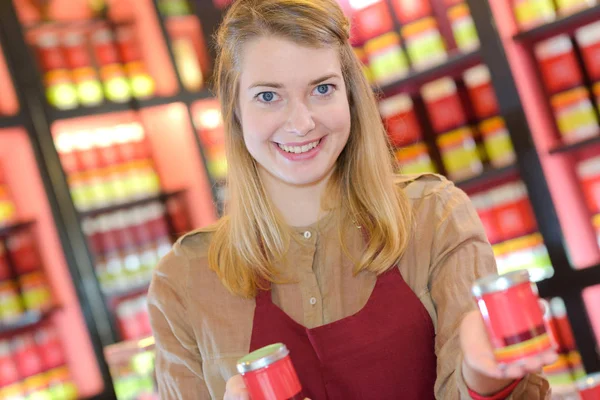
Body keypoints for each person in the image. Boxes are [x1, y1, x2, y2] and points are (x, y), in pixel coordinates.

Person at [147, 0, 557, 398]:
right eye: (269, 96)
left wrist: (483, 375)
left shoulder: (434, 214)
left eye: (322, 89)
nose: (302, 123)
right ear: (233, 109)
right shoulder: (182, 280)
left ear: (350, 95)